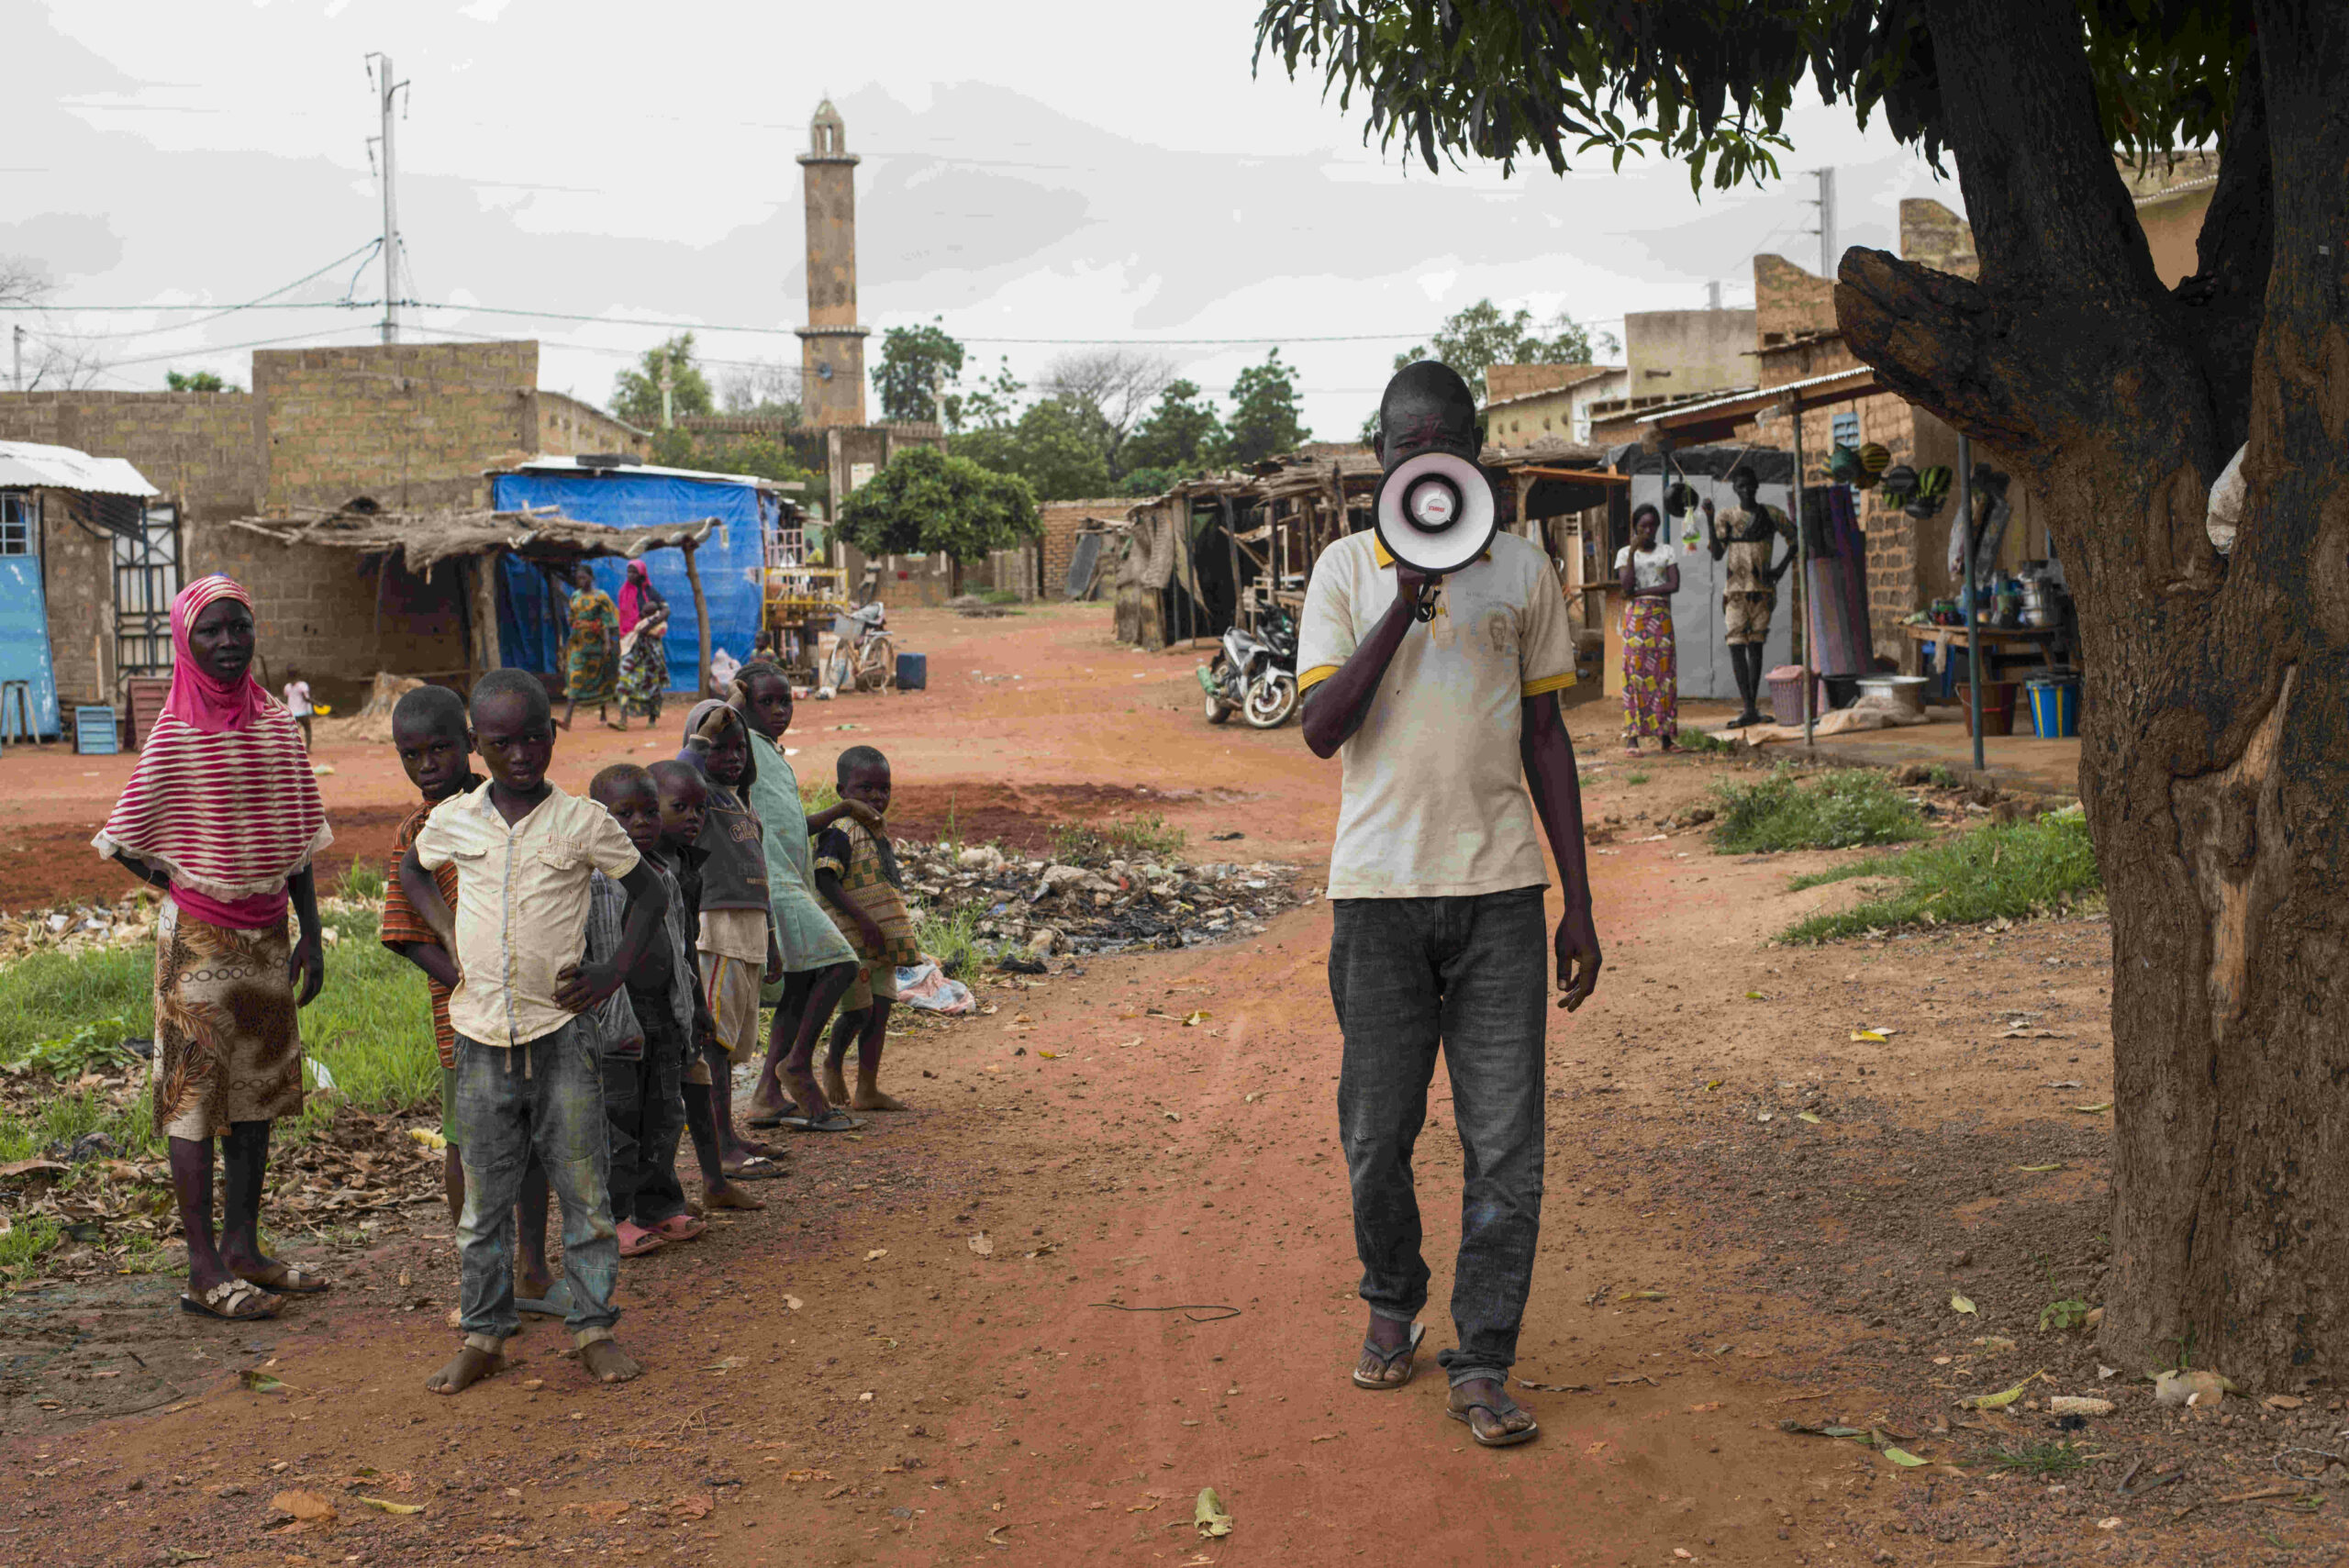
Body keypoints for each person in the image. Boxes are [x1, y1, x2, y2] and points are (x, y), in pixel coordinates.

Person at [1295, 362, 1602, 1450]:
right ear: (1378, 453)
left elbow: (1547, 738)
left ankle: (1484, 1355)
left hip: (1501, 896)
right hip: (1377, 897)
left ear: (1472, 451)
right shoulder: (1340, 569)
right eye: (1399, 442)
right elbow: (1323, 727)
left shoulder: (1523, 570)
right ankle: (1393, 1291)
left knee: (1505, 1143)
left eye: (1442, 442)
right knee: (1376, 1132)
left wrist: (1578, 897)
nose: (1421, 459)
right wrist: (1402, 603)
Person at [399, 668, 663, 1393]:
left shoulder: (581, 822)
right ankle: (483, 1335)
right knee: (483, 1202)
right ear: (478, 747)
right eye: (502, 742)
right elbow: (412, 871)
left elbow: (652, 891)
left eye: (534, 737)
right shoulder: (454, 819)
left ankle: (594, 1327)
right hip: (480, 1038)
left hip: (562, 1035)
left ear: (553, 734)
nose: (521, 754)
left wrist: (611, 972)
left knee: (585, 1189)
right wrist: (449, 934)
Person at [92, 575, 332, 1323]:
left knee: (256, 1094)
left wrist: (312, 933)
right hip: (196, 940)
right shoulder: (174, 731)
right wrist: (179, 880)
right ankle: (201, 1268)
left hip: (268, 936)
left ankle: (243, 1248)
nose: (228, 642)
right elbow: (126, 832)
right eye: (211, 631)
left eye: (239, 627)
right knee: (194, 1101)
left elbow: (298, 840)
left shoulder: (275, 724)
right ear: (184, 642)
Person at [381, 684, 569, 1320]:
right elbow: (402, 936)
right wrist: (466, 978)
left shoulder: (516, 808)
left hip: (536, 1012)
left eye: (440, 748)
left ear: (470, 744)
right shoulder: (417, 832)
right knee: (467, 1147)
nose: (428, 764)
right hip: (462, 1024)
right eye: (413, 755)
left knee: (537, 1139)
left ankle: (534, 1269)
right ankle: (481, 1280)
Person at [725, 660, 870, 1129]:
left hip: (792, 880)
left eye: (785, 700)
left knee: (801, 982)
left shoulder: (772, 753)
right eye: (765, 701)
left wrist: (845, 807)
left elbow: (794, 825)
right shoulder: (739, 743)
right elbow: (700, 739)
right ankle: (798, 1064)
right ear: (745, 702)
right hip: (772, 882)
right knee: (842, 962)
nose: (780, 709)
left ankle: (767, 1094)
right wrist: (732, 702)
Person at [586, 762, 708, 1258]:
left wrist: (695, 1006)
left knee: (662, 1115)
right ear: (598, 818)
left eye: (648, 811)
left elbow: (682, 947)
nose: (641, 822)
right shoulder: (592, 881)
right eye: (624, 813)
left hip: (663, 1013)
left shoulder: (663, 873)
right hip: (616, 1023)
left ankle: (658, 1207)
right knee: (617, 1121)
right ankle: (610, 1218)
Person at [675, 699, 789, 1188]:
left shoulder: (743, 804)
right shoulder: (701, 799)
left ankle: (732, 1137)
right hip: (718, 929)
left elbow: (760, 880)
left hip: (749, 931)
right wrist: (701, 739)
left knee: (733, 1041)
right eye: (720, 748)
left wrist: (772, 940)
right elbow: (681, 770)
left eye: (739, 746)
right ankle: (721, 1146)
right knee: (716, 1044)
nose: (733, 756)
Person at [808, 746, 918, 1117]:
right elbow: (824, 879)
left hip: (880, 943)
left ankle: (867, 1088)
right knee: (857, 1012)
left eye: (884, 788)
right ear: (842, 791)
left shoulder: (878, 832)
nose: (877, 796)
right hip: (852, 939)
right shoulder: (840, 830)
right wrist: (865, 922)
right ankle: (832, 1064)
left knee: (881, 1010)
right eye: (865, 788)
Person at [1703, 467, 1796, 728]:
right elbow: (1718, 554)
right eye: (1742, 486)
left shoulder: (1771, 515)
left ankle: (1752, 708)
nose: (1747, 490)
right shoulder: (1727, 517)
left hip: (1762, 592)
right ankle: (1747, 707)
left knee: (1755, 648)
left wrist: (1780, 568)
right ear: (1735, 488)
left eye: (1751, 485)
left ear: (1757, 486)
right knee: (1736, 647)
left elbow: (1795, 539)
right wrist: (1710, 519)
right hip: (1734, 592)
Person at [1615, 505, 1682, 754]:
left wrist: (1641, 592)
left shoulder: (1667, 551)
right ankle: (1633, 738)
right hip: (1636, 621)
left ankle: (1666, 738)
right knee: (1634, 675)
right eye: (1643, 525)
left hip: (1661, 618)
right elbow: (1626, 584)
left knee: (1664, 676)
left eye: (1652, 525)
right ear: (1635, 527)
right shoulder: (1624, 554)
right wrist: (1632, 553)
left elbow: (1674, 584)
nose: (1648, 530)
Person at [559, 563, 623, 733]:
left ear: (591, 578)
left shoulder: (601, 597)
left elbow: (609, 620)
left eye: (584, 577)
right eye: (578, 578)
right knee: (575, 675)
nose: (581, 581)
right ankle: (567, 719)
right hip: (579, 644)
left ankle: (603, 712)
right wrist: (578, 625)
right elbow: (571, 618)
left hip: (597, 643)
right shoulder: (575, 596)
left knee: (599, 676)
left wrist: (608, 643)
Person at [281, 668, 315, 751]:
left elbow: (285, 699)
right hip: (303, 712)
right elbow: (306, 698)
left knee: (292, 731)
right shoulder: (303, 685)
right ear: (299, 674)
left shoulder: (287, 687)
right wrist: (317, 703)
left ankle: (292, 749)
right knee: (307, 729)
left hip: (292, 713)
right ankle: (308, 748)